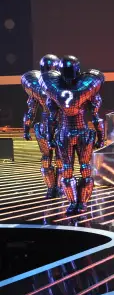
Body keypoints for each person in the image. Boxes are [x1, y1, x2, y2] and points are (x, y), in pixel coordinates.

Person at [39, 56, 105, 214]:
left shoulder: (56, 90)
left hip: (71, 133)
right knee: (72, 169)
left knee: (80, 169)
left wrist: (50, 138)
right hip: (74, 132)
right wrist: (101, 137)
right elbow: (96, 118)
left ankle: (79, 203)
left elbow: (52, 118)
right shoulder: (83, 90)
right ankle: (75, 202)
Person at [22, 54, 63, 199]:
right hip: (57, 125)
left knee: (50, 158)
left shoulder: (39, 87)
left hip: (49, 125)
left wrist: (26, 130)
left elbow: (30, 112)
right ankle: (55, 188)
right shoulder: (59, 85)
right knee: (58, 159)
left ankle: (53, 188)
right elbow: (31, 111)